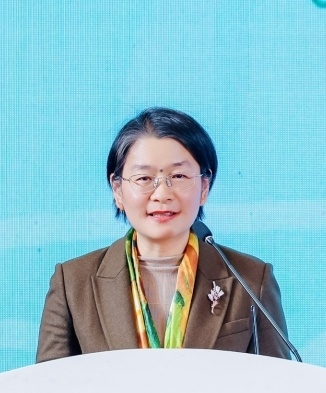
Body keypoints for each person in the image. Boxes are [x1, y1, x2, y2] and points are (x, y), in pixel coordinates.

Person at [36, 107, 291, 362]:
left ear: (204, 187)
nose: (162, 194)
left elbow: (279, 382)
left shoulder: (250, 280)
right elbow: (46, 384)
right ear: (117, 190)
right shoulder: (73, 283)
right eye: (144, 178)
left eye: (178, 176)